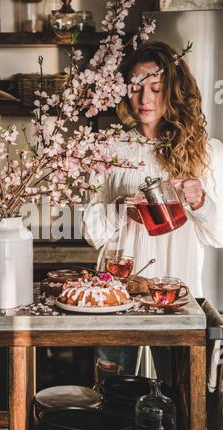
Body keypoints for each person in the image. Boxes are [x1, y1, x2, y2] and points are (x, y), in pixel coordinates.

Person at [82, 41, 223, 383]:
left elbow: (218, 235)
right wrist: (119, 210)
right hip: (116, 294)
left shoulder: (205, 152)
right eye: (136, 87)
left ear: (172, 91)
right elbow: (91, 233)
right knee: (112, 391)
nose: (145, 99)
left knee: (180, 396)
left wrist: (201, 202)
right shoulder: (106, 149)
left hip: (178, 296)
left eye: (156, 89)